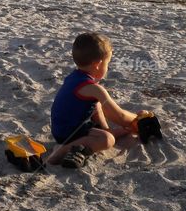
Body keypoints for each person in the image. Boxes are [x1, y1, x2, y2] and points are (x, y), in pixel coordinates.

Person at [47, 32, 140, 168]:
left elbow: (96, 108)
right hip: (69, 133)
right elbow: (119, 116)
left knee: (104, 126)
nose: (107, 68)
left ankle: (102, 134)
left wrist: (106, 128)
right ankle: (61, 151)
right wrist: (138, 119)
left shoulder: (74, 77)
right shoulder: (93, 88)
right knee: (107, 140)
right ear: (97, 64)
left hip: (61, 129)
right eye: (107, 63)